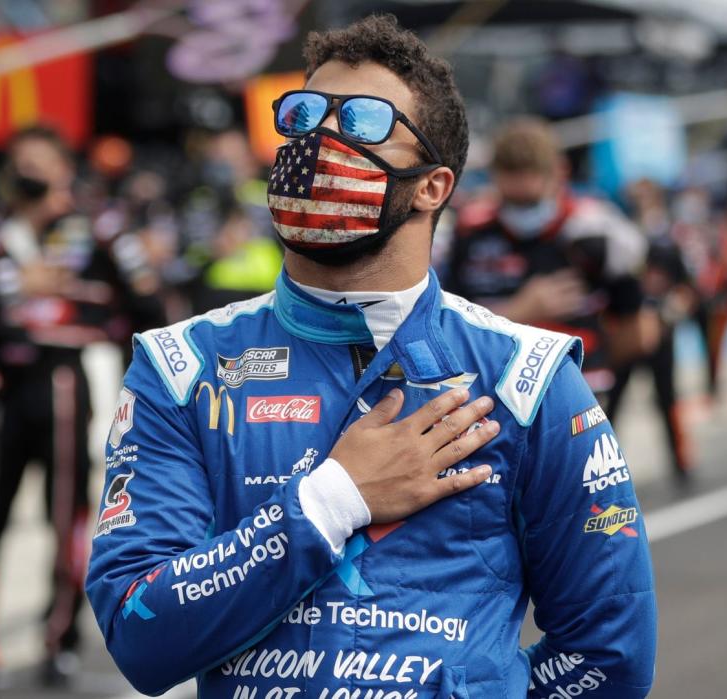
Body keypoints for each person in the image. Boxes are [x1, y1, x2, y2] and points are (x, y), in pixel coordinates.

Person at [87, 15, 656, 699]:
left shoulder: (527, 380)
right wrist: (333, 500)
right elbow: (139, 630)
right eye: (302, 118)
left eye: (359, 123)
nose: (318, 143)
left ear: (432, 185)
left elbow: (609, 655)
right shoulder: (181, 367)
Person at [0, 125, 164, 682]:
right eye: (19, 162)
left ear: (62, 170)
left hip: (64, 385)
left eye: (39, 162)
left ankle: (60, 638)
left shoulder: (101, 230)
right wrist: (18, 286)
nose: (28, 173)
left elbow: (148, 302)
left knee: (68, 520)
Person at [444, 116, 652, 402]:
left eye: (530, 200)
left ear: (558, 174)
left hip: (579, 389)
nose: (521, 210)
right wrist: (519, 310)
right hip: (492, 390)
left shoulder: (597, 229)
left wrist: (594, 372)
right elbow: (447, 327)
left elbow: (640, 331)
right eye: (511, 199)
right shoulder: (470, 232)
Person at [606, 180, 696, 488]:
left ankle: (681, 465)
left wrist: (665, 317)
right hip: (628, 334)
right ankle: (601, 468)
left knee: (667, 400)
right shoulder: (619, 237)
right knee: (611, 404)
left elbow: (687, 289)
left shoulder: (670, 241)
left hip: (660, 333)